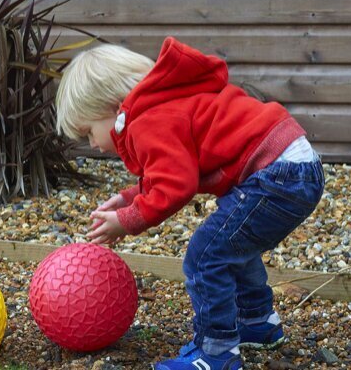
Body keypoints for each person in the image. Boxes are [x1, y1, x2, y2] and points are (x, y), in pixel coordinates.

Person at [55, 37, 324, 370]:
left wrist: (129, 220)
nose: (93, 144)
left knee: (205, 256)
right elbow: (175, 169)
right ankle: (257, 322)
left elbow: (176, 186)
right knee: (232, 244)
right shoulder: (164, 105)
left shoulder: (146, 121)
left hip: (276, 175)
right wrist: (129, 198)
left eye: (88, 132)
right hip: (293, 167)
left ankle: (216, 353)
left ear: (113, 108)